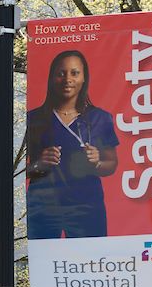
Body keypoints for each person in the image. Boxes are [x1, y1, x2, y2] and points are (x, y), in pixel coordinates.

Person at [27, 50, 120, 239]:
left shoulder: (100, 118)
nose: (67, 79)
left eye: (74, 73)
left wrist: (97, 162)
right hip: (44, 207)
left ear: (84, 77)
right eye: (61, 73)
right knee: (44, 265)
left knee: (90, 264)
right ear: (52, 78)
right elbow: (19, 172)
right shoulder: (32, 119)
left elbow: (112, 164)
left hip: (87, 206)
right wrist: (40, 164)